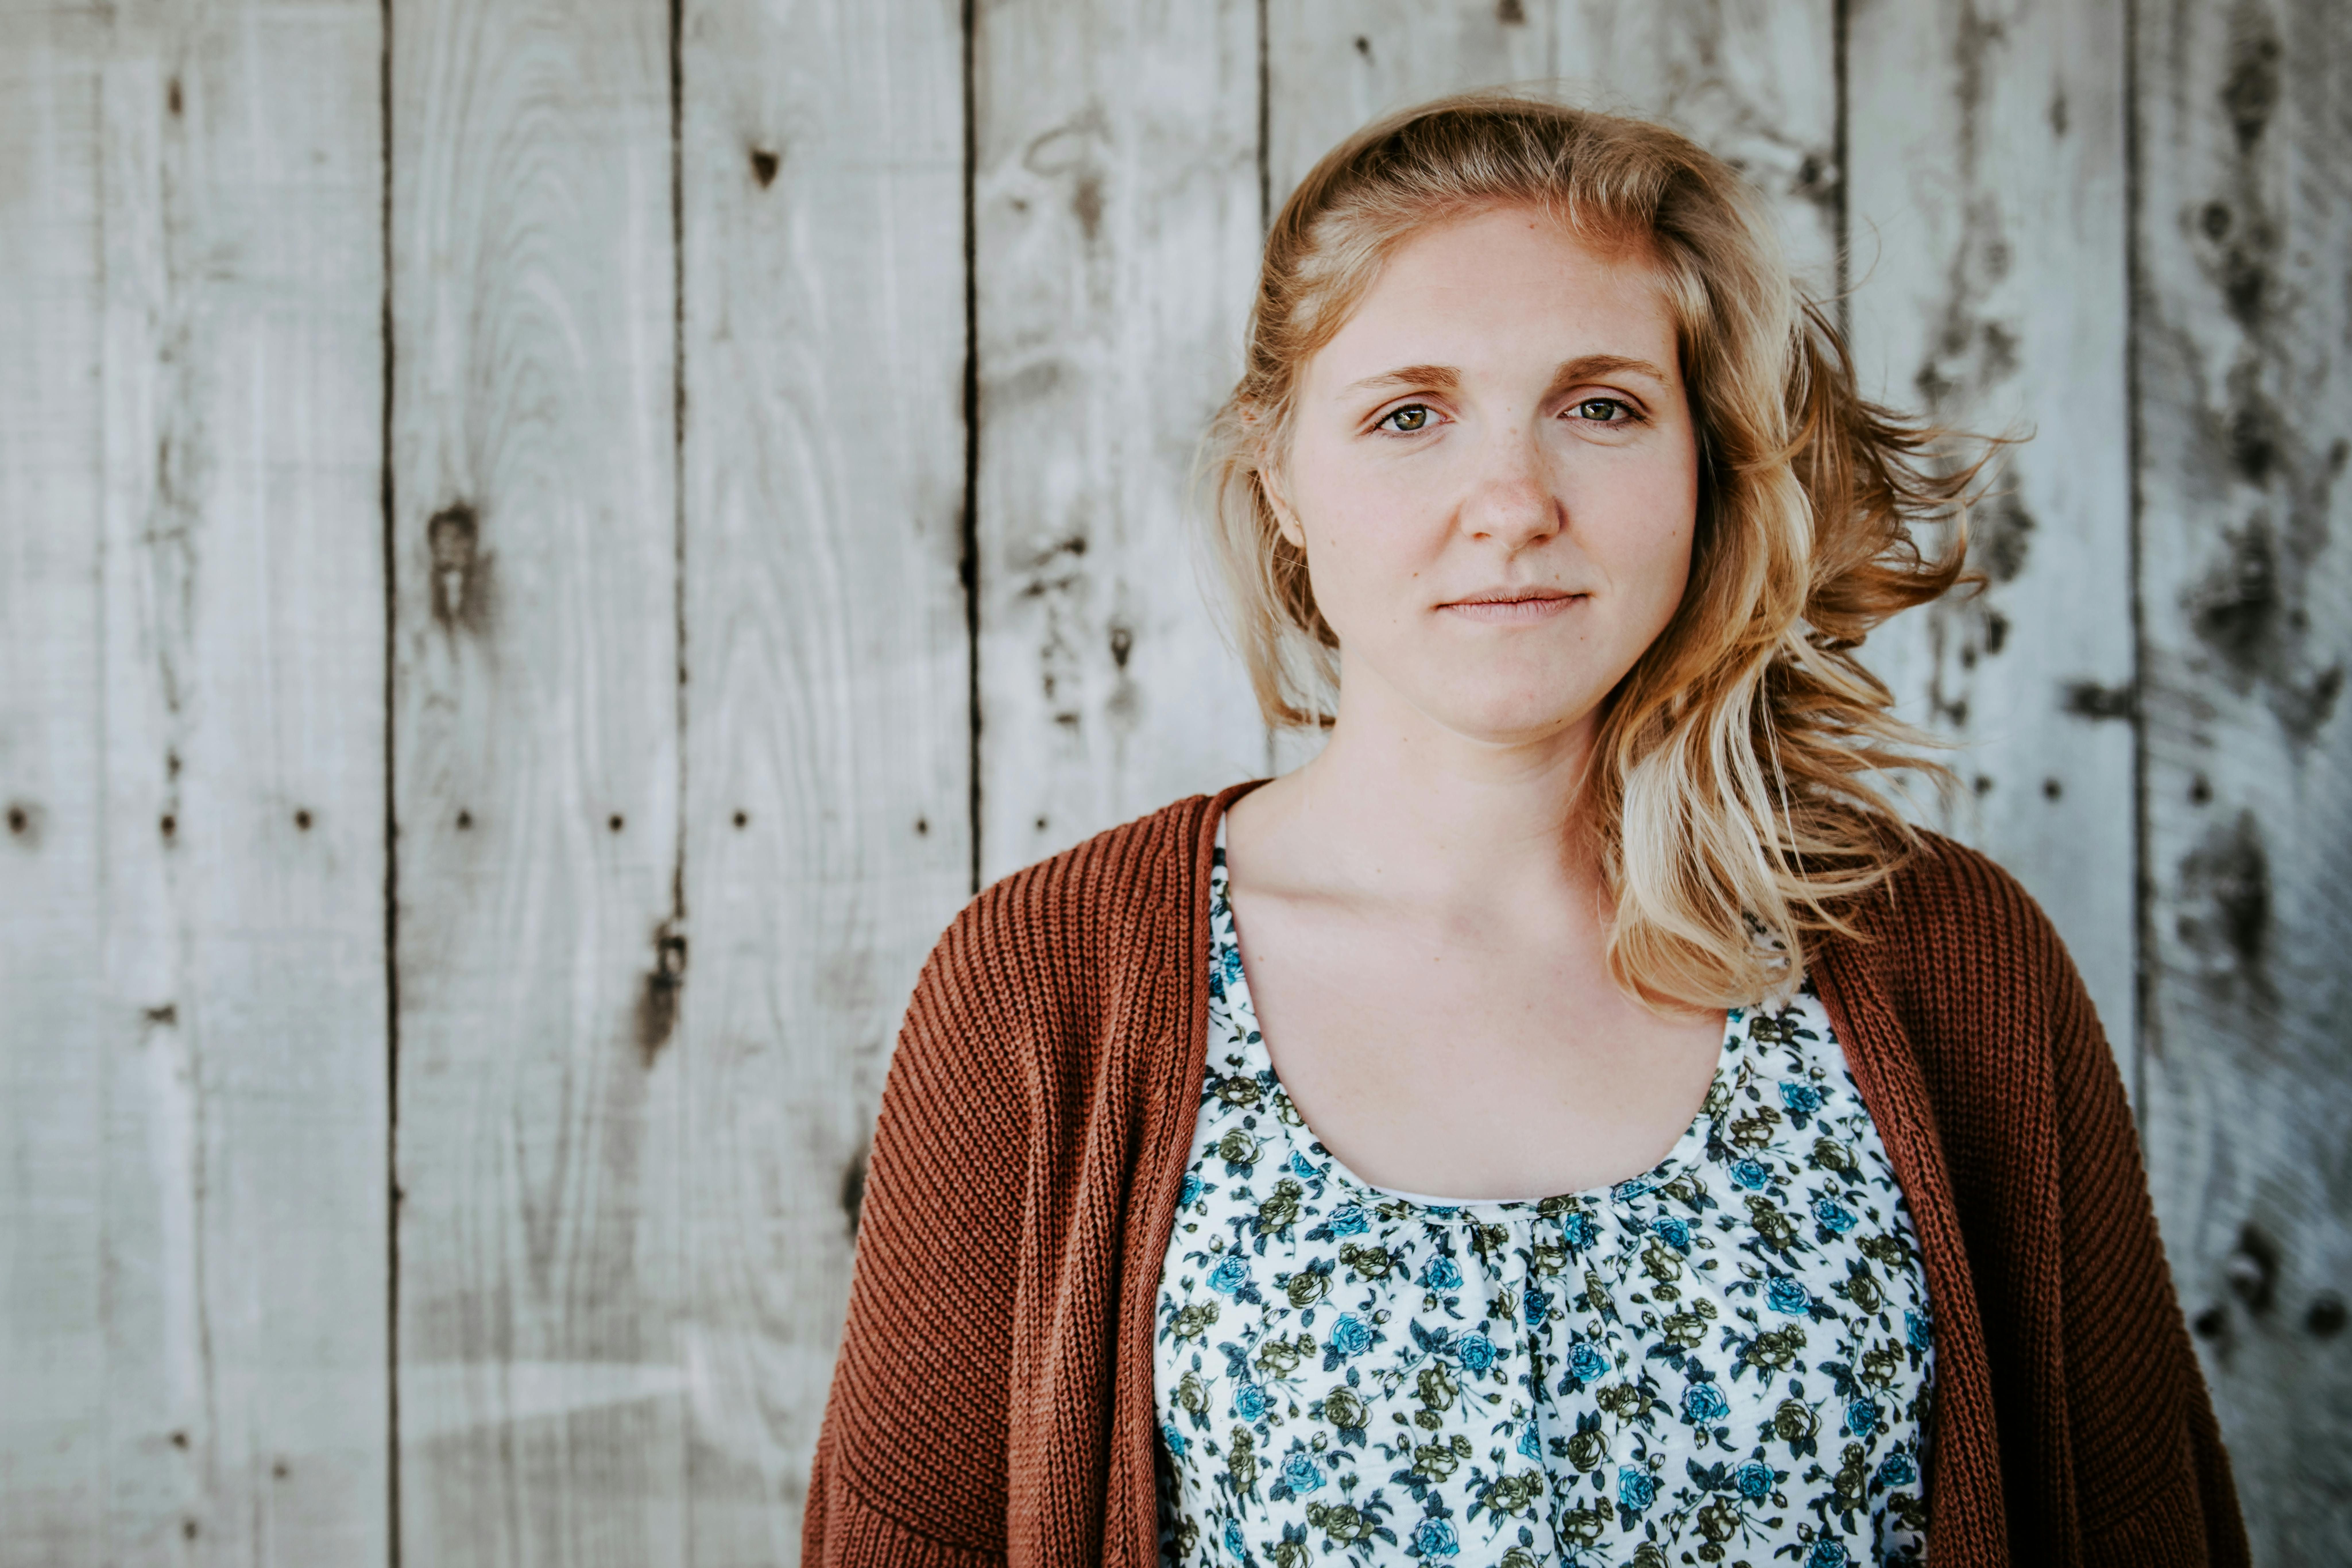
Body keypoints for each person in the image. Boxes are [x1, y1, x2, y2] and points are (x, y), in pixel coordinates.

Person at [801, 92, 2244, 1568]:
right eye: (1408, 415)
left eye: (1601, 406)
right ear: (1283, 478)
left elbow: (2140, 1524)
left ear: (1708, 462)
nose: (1511, 503)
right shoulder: (1046, 991)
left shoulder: (1947, 962)